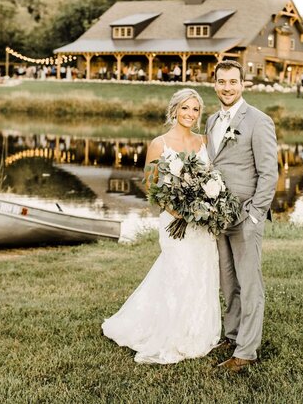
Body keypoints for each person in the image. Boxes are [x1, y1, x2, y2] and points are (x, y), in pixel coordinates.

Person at [102, 89, 221, 364]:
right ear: (174, 110)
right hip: (173, 220)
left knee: (201, 271)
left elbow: (212, 177)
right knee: (178, 271)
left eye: (195, 110)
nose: (190, 114)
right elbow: (149, 183)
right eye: (185, 108)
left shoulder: (204, 142)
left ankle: (197, 331)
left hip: (201, 223)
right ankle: (171, 333)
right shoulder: (159, 143)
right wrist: (174, 209)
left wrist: (207, 203)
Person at [206, 60, 278, 373]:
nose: (227, 87)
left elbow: (269, 173)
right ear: (215, 84)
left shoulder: (259, 121)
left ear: (243, 84)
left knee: (250, 285)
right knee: (228, 281)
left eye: (233, 82)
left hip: (245, 215)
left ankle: (246, 352)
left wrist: (254, 215)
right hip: (218, 216)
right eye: (222, 81)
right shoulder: (211, 121)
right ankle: (232, 335)